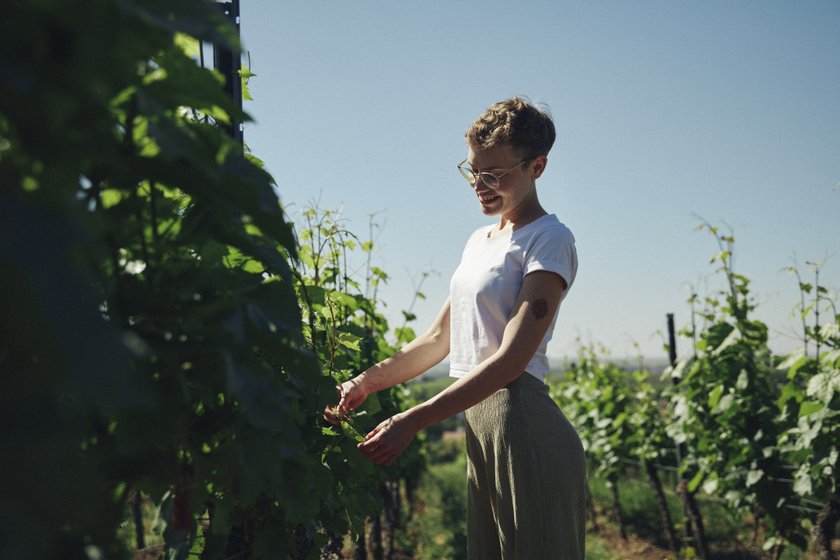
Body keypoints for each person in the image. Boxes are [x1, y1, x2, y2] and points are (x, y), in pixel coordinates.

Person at [325, 97, 586, 559]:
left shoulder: (549, 239)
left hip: (521, 424)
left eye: (495, 174)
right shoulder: (478, 242)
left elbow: (510, 361)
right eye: (473, 171)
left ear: (537, 167)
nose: (480, 186)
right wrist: (364, 382)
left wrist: (412, 420)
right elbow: (436, 341)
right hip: (480, 426)